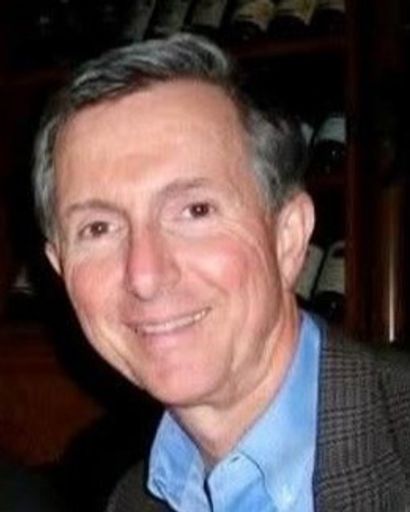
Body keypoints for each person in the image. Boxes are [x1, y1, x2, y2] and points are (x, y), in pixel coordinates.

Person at [31, 34, 410, 511]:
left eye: (196, 210)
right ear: (60, 269)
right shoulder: (129, 500)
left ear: (288, 236)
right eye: (99, 228)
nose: (145, 275)